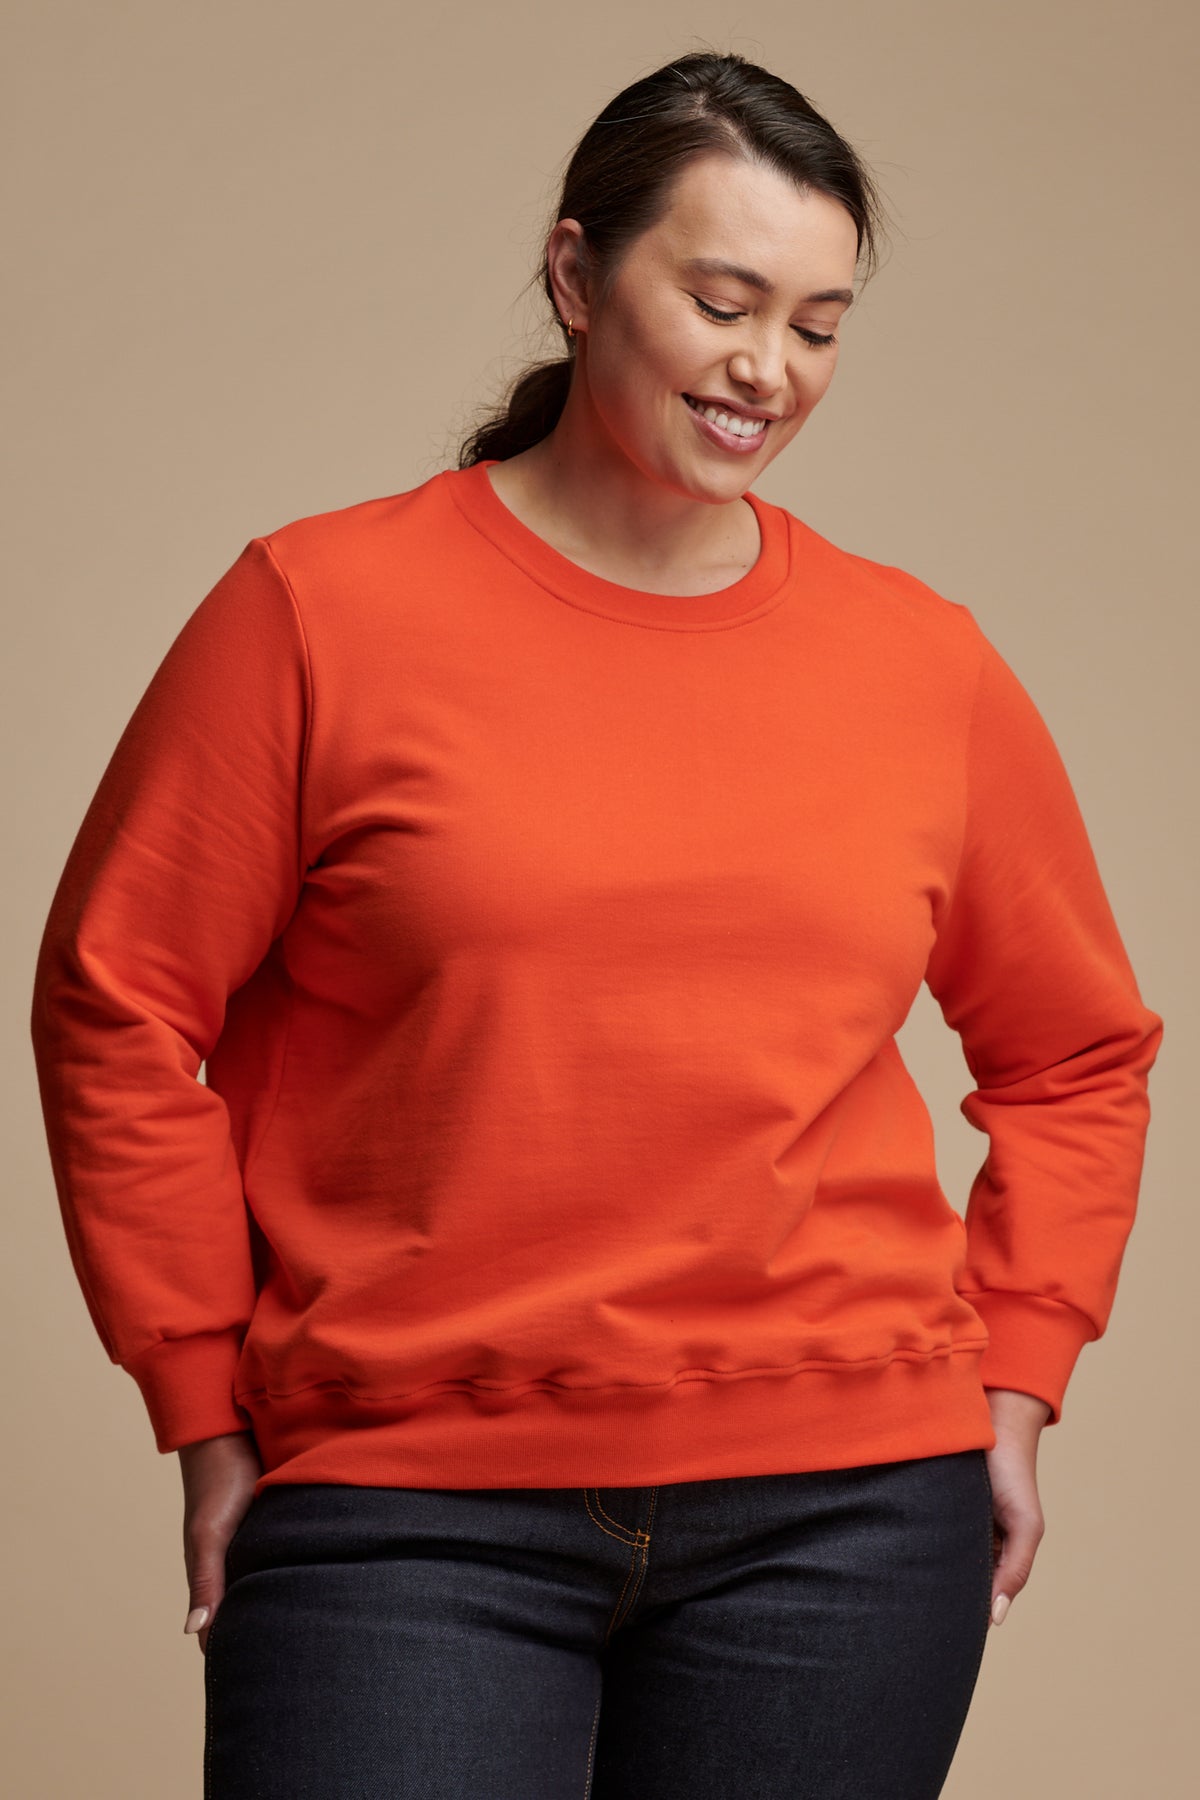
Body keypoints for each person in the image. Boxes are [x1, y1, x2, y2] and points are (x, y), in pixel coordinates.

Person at [30, 48, 1162, 1800]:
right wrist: (197, 1391)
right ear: (573, 277)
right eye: (722, 301)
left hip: (851, 1525)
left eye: (819, 323)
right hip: (408, 1507)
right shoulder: (318, 614)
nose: (766, 370)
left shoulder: (918, 664)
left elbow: (1080, 1046)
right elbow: (115, 1001)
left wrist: (1016, 1374)